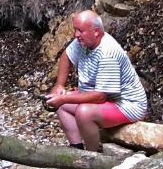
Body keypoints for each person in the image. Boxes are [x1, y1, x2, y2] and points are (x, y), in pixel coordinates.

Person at [45, 10, 148, 153]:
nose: (76, 35)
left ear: (96, 32)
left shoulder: (108, 53)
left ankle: (91, 158)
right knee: (62, 106)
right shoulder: (84, 42)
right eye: (75, 30)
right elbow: (66, 57)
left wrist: (64, 97)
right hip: (103, 97)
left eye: (80, 31)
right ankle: (77, 150)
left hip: (128, 104)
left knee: (84, 112)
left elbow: (100, 97)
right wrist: (59, 85)